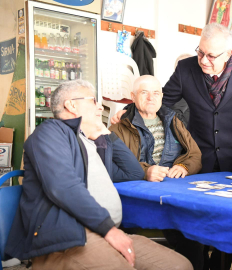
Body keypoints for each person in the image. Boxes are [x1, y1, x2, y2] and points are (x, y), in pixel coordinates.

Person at [111, 22, 232, 270]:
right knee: (199, 220)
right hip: (201, 158)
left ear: (229, 54)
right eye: (200, 52)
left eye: (211, 55)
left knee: (230, 220)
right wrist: (128, 111)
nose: (203, 60)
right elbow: (161, 99)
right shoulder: (186, 69)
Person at [5, 80, 193, 270]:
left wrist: (108, 135)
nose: (100, 106)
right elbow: (63, 186)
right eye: (93, 100)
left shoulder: (90, 142)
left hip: (105, 233)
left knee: (180, 265)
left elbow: (134, 172)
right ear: (71, 105)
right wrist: (108, 229)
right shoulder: (50, 132)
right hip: (69, 241)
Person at [109, 75, 202, 181]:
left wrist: (184, 167)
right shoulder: (118, 128)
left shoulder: (174, 122)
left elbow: (195, 154)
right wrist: (145, 172)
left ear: (162, 96)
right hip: (139, 188)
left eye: (156, 93)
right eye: (144, 92)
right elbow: (110, 165)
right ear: (133, 97)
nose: (150, 98)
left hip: (174, 184)